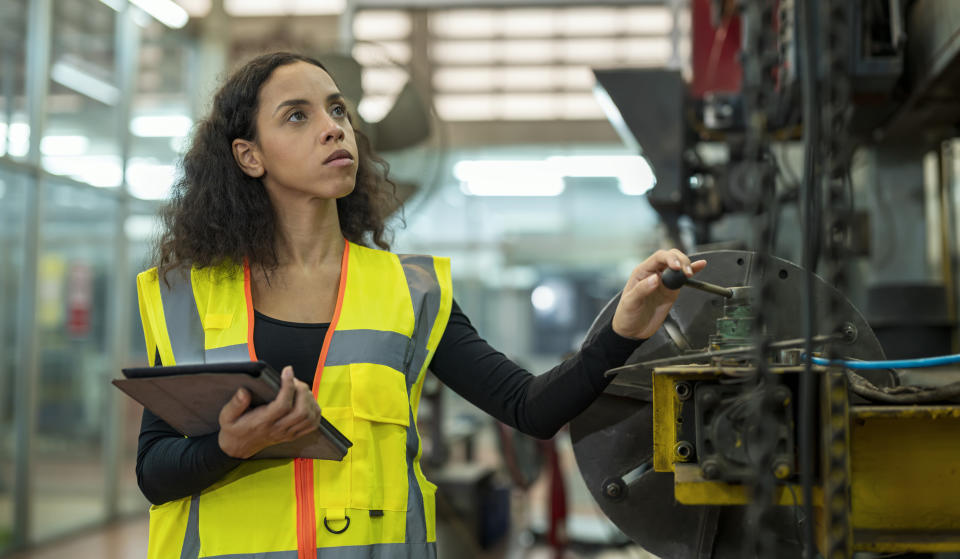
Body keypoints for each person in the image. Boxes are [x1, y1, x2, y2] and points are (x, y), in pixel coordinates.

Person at [135, 51, 705, 559]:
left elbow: (530, 407)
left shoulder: (408, 293)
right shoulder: (190, 295)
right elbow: (155, 471)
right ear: (249, 156)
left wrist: (622, 331)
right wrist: (230, 447)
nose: (334, 128)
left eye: (338, 110)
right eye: (298, 115)